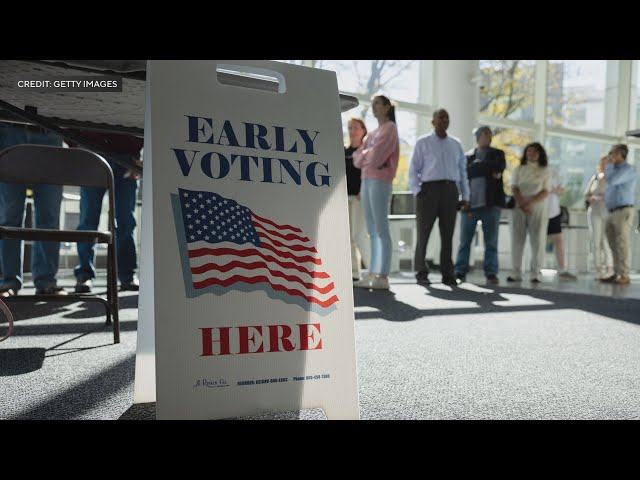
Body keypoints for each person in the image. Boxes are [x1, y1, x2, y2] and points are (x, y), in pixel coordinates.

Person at [66, 130, 143, 293]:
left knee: (126, 222)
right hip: (92, 154)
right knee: (88, 221)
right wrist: (76, 145)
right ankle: (85, 275)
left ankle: (127, 276)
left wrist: (146, 158)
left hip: (128, 157)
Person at [0, 122, 67, 297]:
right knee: (9, 216)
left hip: (50, 131)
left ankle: (46, 282)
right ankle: (9, 281)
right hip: (10, 131)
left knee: (49, 218)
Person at [409, 109, 470, 286]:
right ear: (433, 121)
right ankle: (421, 270)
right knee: (423, 232)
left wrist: (465, 195)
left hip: (450, 191)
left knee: (448, 234)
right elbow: (414, 169)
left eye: (446, 118)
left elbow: (462, 172)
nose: (444, 120)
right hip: (428, 191)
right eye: (440, 117)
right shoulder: (423, 142)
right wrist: (417, 191)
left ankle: (448, 274)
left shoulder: (456, 144)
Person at [352, 95, 400, 290]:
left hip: (380, 181)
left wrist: (365, 156)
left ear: (388, 107)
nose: (374, 108)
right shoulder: (372, 133)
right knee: (371, 230)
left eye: (378, 104)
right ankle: (372, 273)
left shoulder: (390, 129)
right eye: (372, 105)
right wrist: (366, 156)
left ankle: (382, 276)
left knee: (381, 228)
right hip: (366, 180)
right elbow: (357, 158)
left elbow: (377, 157)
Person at [454, 126, 505, 284]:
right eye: (484, 135)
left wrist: (478, 167)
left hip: (491, 205)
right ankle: (460, 270)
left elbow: (497, 168)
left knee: (491, 242)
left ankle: (491, 272)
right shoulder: (467, 156)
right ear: (477, 137)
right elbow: (464, 174)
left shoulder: (498, 154)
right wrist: (485, 169)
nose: (487, 137)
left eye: (489, 134)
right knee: (465, 241)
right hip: (469, 205)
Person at [507, 142, 551, 283]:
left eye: (535, 152)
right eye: (529, 151)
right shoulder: (519, 169)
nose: (531, 154)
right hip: (519, 205)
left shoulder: (545, 170)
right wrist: (522, 202)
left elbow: (546, 191)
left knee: (537, 240)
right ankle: (516, 271)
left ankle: (535, 272)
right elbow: (513, 187)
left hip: (537, 206)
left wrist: (530, 203)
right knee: (517, 239)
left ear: (540, 154)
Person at [601, 144, 636, 285]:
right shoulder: (612, 170)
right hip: (611, 210)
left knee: (622, 243)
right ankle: (616, 272)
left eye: (612, 153)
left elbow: (613, 180)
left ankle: (625, 274)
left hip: (623, 211)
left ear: (621, 154)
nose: (610, 156)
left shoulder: (629, 169)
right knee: (612, 243)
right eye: (610, 153)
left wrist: (608, 165)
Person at [344, 117, 368, 281]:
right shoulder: (343, 151)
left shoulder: (366, 151)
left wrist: (362, 190)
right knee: (348, 236)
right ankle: (354, 272)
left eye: (356, 128)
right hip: (345, 197)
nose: (353, 131)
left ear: (363, 130)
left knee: (357, 235)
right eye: (350, 128)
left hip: (359, 198)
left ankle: (374, 269)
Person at [584, 155, 613, 280]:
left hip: (607, 212)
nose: (604, 165)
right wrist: (590, 198)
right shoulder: (595, 178)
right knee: (595, 241)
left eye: (607, 163)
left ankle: (610, 268)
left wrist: (601, 198)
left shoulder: (614, 178)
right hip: (594, 211)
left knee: (606, 241)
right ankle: (598, 269)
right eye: (603, 163)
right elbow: (586, 194)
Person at [547, 167, 577, 280]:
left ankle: (562, 269)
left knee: (559, 240)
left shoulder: (554, 173)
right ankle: (535, 268)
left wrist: (551, 190)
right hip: (537, 212)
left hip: (553, 212)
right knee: (537, 242)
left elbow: (561, 191)